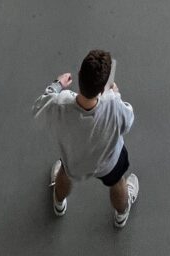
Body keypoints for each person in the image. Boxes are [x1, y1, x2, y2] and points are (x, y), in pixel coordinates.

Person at [33, 49, 138, 229]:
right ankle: (121, 214)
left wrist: (57, 84)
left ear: (80, 74)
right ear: (103, 87)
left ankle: (59, 204)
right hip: (109, 162)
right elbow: (127, 121)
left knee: (65, 172)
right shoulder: (113, 105)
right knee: (118, 181)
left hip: (74, 159)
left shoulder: (61, 103)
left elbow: (39, 106)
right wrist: (116, 95)